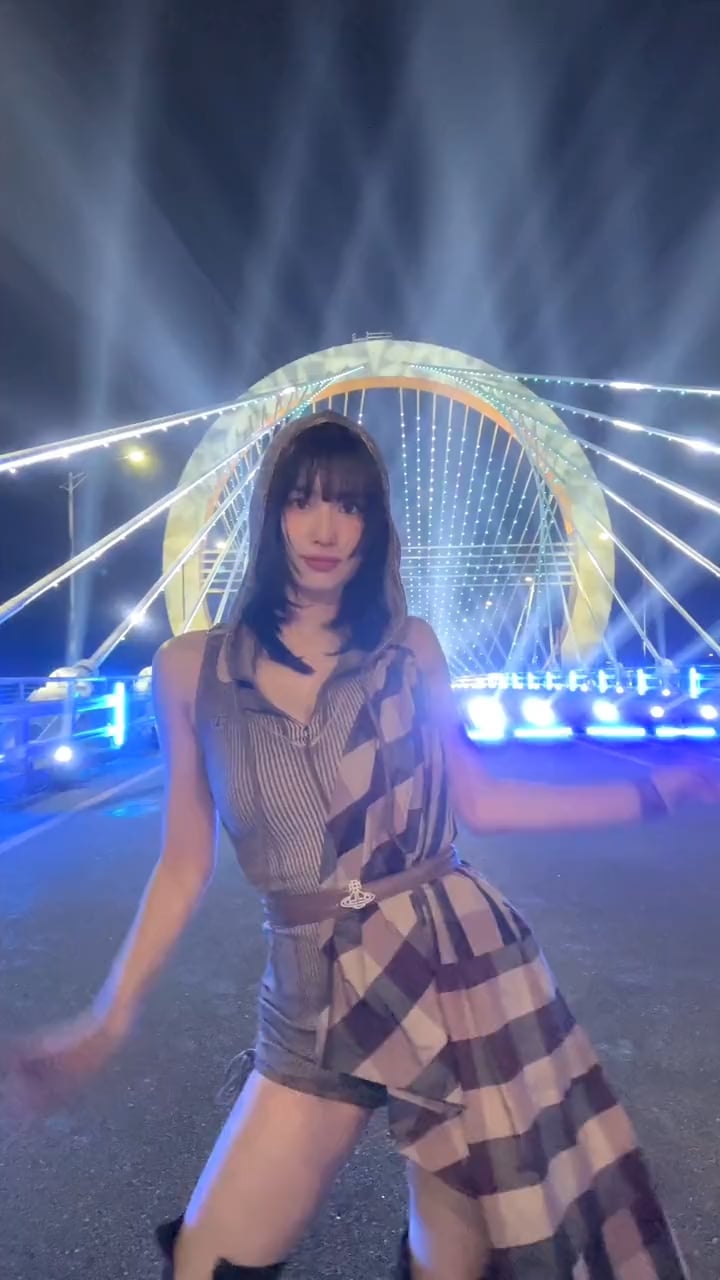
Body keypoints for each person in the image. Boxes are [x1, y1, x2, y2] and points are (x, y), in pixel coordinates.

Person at [3, 411, 717, 1280]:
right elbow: (184, 863)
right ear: (270, 513)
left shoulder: (410, 649)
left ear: (375, 524)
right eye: (303, 500)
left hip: (456, 972)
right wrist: (109, 1018)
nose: (325, 528)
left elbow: (484, 802)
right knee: (206, 1261)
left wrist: (656, 790)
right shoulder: (190, 670)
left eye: (350, 505)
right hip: (310, 998)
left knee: (456, 1259)